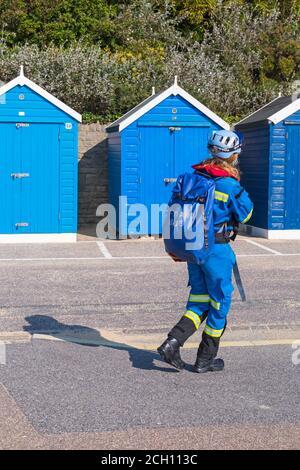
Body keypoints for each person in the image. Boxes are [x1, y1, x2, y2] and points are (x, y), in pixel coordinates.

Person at [157, 129, 253, 373]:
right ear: (233, 156)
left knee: (199, 299)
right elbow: (247, 213)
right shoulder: (230, 185)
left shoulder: (193, 177)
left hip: (194, 249)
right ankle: (205, 360)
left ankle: (172, 343)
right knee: (220, 304)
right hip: (216, 251)